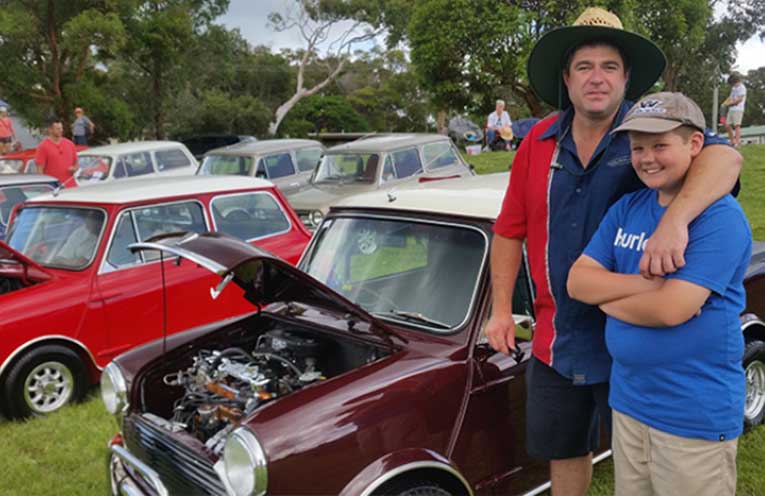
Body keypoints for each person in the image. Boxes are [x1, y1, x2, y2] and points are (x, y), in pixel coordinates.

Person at [485, 7, 742, 496]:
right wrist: (500, 309)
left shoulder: (650, 130)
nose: (597, 78)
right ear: (567, 78)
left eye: (610, 67)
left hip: (631, 338)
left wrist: (675, 220)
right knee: (567, 450)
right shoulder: (536, 142)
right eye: (584, 67)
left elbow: (725, 158)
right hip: (559, 334)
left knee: (643, 453)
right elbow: (508, 229)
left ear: (626, 78)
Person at [568, 92, 749, 496]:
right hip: (629, 403)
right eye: (638, 148)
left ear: (695, 144)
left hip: (692, 414)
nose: (647, 158)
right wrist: (648, 285)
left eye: (660, 146)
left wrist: (606, 296)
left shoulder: (720, 218)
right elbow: (578, 282)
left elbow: (671, 309)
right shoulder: (628, 208)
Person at [34, 116, 79, 184]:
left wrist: (74, 169)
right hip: (54, 187)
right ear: (50, 130)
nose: (61, 130)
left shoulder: (70, 144)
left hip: (71, 187)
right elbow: (40, 171)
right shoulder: (42, 147)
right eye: (58, 129)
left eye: (61, 128)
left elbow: (76, 164)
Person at [724, 74, 746, 147]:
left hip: (738, 109)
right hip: (731, 109)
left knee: (737, 125)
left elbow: (740, 99)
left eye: (733, 84)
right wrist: (725, 103)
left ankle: (737, 142)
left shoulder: (742, 88)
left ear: (737, 81)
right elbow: (730, 97)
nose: (732, 85)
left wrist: (730, 103)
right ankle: (732, 141)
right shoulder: (733, 88)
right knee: (727, 125)